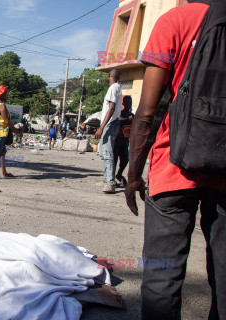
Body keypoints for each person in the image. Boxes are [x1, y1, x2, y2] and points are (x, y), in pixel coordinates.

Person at [125, 2, 226, 319]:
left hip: (173, 165)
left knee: (162, 276)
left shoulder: (176, 20)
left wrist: (133, 175)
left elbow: (146, 111)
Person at [95, 68, 122, 193]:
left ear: (110, 75)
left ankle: (110, 182)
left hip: (110, 124)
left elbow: (111, 109)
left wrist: (101, 127)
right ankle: (107, 179)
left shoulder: (113, 88)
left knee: (107, 153)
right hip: (111, 123)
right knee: (103, 152)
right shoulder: (117, 88)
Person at [113, 96, 134, 187]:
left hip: (125, 141)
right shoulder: (119, 114)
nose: (128, 104)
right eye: (126, 102)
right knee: (114, 160)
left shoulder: (132, 116)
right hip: (117, 140)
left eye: (129, 102)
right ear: (123, 104)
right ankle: (111, 177)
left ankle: (119, 174)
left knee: (125, 160)